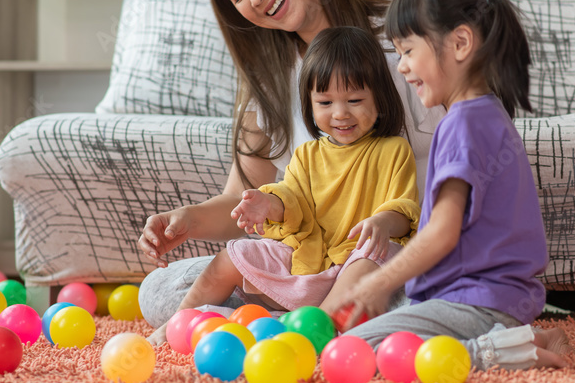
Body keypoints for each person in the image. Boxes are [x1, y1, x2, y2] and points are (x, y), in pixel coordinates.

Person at [137, 0, 441, 329]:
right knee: (159, 290)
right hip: (310, 263)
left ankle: (288, 322)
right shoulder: (270, 85)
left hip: (398, 256)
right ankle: (313, 321)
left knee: (419, 287)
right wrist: (186, 219)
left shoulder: (403, 43)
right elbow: (242, 201)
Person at [328, 0, 570, 370]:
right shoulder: (485, 113)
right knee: (366, 323)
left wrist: (378, 283)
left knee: (354, 350)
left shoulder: (462, 123)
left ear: (460, 43)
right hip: (488, 299)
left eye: (407, 50)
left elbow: (442, 232)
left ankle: (497, 351)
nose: (402, 67)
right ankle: (521, 336)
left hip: (475, 303)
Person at [147, 27, 421, 344]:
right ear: (310, 103)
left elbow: (404, 208)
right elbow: (292, 200)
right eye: (326, 102)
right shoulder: (307, 154)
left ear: (380, 99)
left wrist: (382, 222)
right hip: (306, 258)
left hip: (354, 266)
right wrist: (268, 204)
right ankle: (178, 324)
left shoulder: (393, 150)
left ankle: (310, 335)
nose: (341, 113)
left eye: (355, 100)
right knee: (231, 257)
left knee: (374, 256)